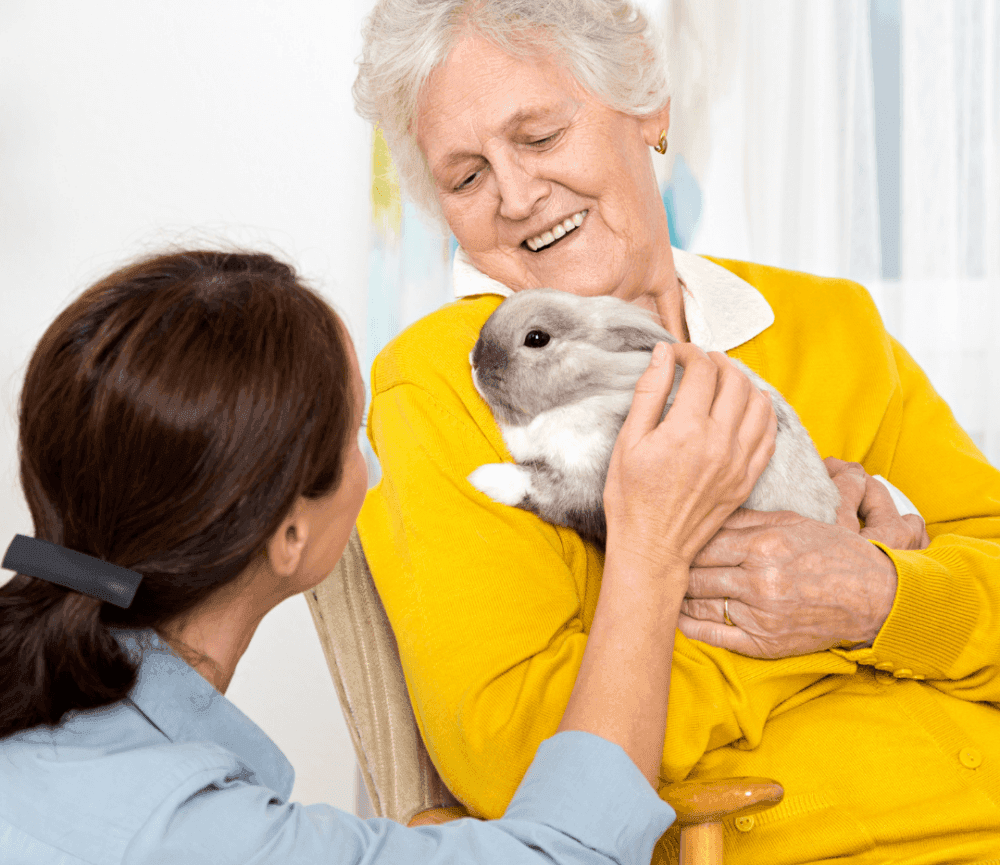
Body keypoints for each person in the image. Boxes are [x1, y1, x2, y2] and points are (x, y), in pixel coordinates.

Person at [352, 0, 1000, 863]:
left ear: (645, 103)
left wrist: (876, 595)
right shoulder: (450, 386)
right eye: (466, 175)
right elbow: (516, 753)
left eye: (540, 133)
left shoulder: (833, 326)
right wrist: (841, 629)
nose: (519, 194)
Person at [0, 248, 777, 865]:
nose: (372, 467)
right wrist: (649, 548)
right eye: (353, 438)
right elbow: (567, 855)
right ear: (291, 535)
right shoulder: (187, 834)